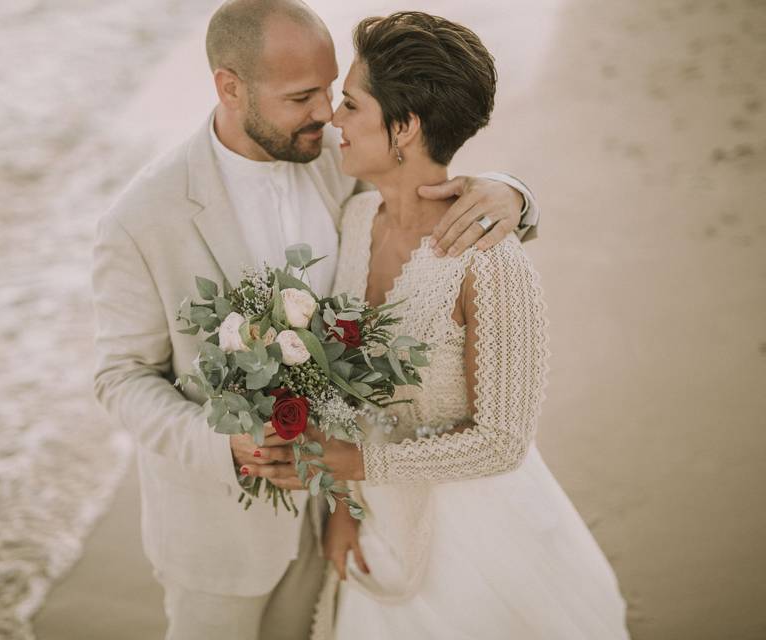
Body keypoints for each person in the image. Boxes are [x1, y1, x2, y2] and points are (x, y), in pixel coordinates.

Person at [91, 2, 538, 638]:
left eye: (331, 90)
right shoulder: (141, 219)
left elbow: (421, 191)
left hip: (348, 511)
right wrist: (226, 446)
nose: (326, 112)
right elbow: (121, 378)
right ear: (230, 86)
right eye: (302, 96)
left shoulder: (335, 156)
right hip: (221, 536)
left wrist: (511, 190)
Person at [247, 11, 629, 639]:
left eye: (350, 104)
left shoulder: (490, 260)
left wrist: (351, 464)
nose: (333, 120)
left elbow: (502, 442)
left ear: (405, 127)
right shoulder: (356, 218)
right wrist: (345, 507)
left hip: (480, 543)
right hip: (380, 526)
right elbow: (344, 391)